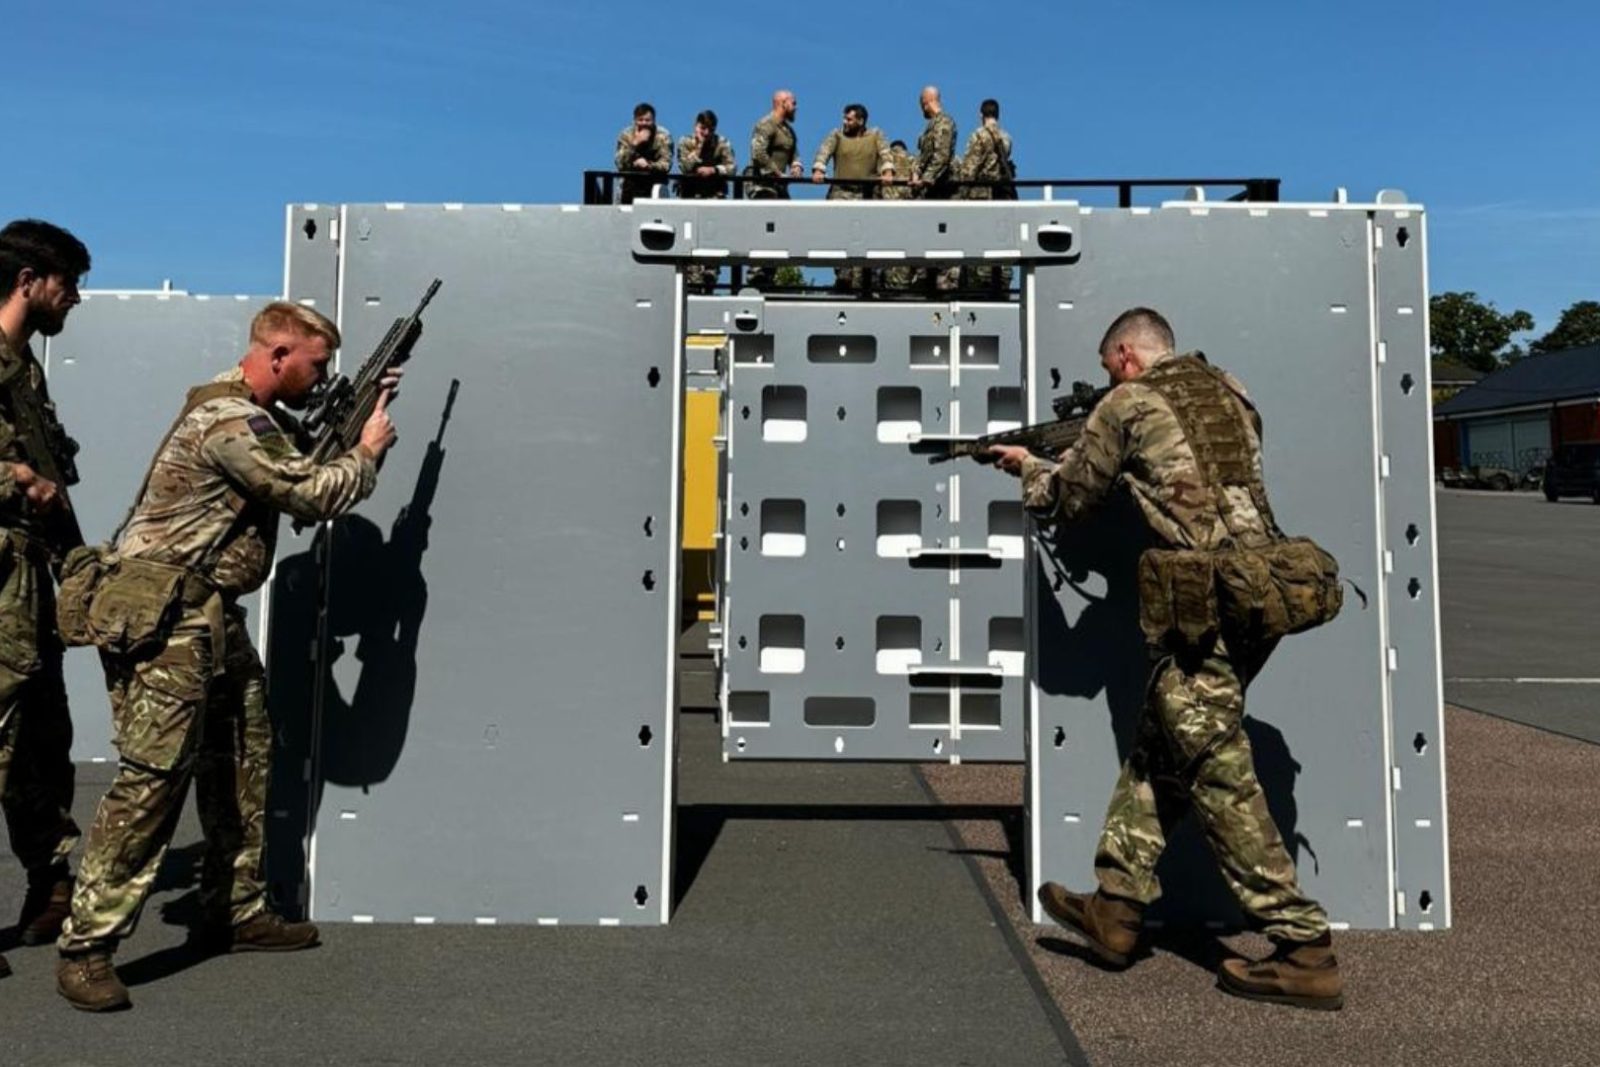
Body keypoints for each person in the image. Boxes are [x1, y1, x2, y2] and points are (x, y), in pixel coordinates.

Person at [987, 308, 1345, 1012]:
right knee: (1166, 745)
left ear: (1125, 354)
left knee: (1215, 768)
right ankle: (1116, 907)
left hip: (1203, 606)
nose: (1106, 379)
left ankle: (1304, 946)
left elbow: (1072, 499)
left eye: (1106, 368)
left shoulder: (1127, 401)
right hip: (1263, 596)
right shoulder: (1230, 389)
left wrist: (1029, 469)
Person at [55, 302, 399, 1011]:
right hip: (168, 617)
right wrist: (367, 449)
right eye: (313, 364)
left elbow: (294, 467)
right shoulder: (229, 422)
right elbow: (307, 492)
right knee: (152, 779)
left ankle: (234, 907)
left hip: (207, 614)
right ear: (276, 355)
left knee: (245, 753)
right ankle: (87, 944)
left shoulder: (251, 413)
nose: (319, 378)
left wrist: (361, 410)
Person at [0, 220, 91, 981]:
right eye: (69, 284)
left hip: (29, 585)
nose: (75, 300)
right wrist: (15, 480)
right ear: (30, 281)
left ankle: (52, 882)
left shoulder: (25, 371)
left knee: (40, 739)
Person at [810, 103, 894, 292]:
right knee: (840, 238)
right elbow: (824, 152)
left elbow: (886, 154)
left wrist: (888, 170)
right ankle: (843, 277)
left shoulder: (875, 135)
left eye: (849, 119)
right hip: (842, 193)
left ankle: (867, 282)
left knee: (867, 240)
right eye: (844, 119)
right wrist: (818, 169)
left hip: (867, 194)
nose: (845, 122)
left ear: (860, 121)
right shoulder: (837, 135)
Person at [745, 89, 803, 290]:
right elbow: (758, 152)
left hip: (779, 188)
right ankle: (756, 277)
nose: (796, 107)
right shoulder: (766, 125)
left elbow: (794, 153)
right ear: (783, 103)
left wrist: (796, 165)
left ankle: (769, 276)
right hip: (763, 185)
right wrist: (777, 172)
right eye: (793, 103)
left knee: (781, 232)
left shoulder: (788, 131)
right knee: (764, 231)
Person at [958, 98, 1016, 293]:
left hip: (980, 196)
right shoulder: (1006, 138)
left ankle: (978, 284)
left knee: (978, 243)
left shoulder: (979, 136)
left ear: (981, 114)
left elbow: (969, 170)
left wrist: (961, 193)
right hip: (1001, 195)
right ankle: (1000, 282)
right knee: (999, 242)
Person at [676, 109, 736, 293]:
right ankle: (692, 287)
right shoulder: (685, 142)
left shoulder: (722, 143)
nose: (706, 133)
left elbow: (732, 167)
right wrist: (699, 148)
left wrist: (714, 170)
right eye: (703, 129)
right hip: (690, 202)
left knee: (712, 247)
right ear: (696, 126)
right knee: (690, 246)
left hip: (713, 201)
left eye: (710, 129)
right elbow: (684, 166)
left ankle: (710, 280)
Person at [911, 86, 959, 292]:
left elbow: (942, 156)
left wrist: (927, 179)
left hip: (943, 194)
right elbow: (923, 157)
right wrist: (916, 172)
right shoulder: (930, 127)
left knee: (944, 247)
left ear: (926, 101)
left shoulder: (944, 123)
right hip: (930, 195)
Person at [613, 102, 673, 205]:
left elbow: (666, 164)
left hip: (655, 188)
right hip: (628, 188)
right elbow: (619, 163)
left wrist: (648, 165)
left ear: (654, 121)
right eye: (640, 120)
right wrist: (635, 143)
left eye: (647, 120)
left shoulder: (663, 136)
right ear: (634, 121)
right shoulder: (626, 135)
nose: (644, 123)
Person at [878, 140, 917, 291]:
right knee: (904, 252)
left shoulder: (884, 161)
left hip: (886, 213)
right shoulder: (912, 159)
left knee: (888, 252)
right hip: (906, 212)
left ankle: (888, 286)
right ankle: (902, 286)